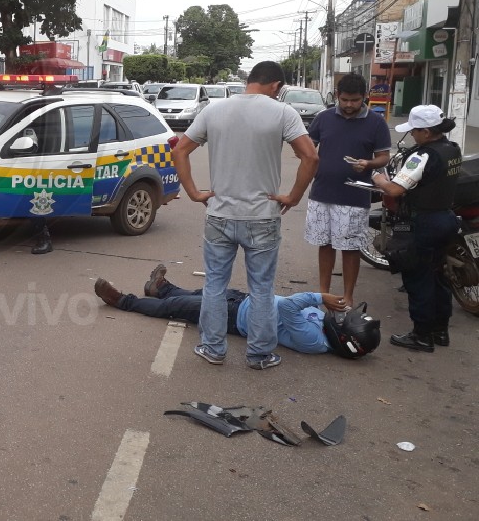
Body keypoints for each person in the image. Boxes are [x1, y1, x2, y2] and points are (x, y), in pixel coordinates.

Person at [172, 61, 319, 370]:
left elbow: (180, 151)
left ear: (251, 80)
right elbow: (310, 156)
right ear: (276, 86)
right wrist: (293, 196)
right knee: (262, 289)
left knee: (214, 285)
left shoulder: (213, 110)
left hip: (220, 215)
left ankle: (213, 349)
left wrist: (194, 193)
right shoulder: (283, 113)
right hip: (262, 217)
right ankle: (260, 355)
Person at [93, 264, 381, 359]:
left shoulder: (313, 340)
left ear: (345, 339)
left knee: (176, 308)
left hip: (235, 318)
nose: (340, 313)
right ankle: (162, 287)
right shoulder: (325, 329)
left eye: (345, 319)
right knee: (197, 294)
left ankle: (122, 301)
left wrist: (320, 296)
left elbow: (290, 305)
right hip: (246, 302)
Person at [370, 105, 461, 352]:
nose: (412, 135)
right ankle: (440, 331)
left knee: (418, 278)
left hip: (422, 223)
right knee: (439, 276)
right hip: (446, 219)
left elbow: (395, 190)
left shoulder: (423, 155)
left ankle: (421, 335)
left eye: (415, 131)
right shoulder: (451, 149)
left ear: (428, 132)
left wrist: (379, 179)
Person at [304, 73, 392, 308]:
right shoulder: (323, 118)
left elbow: (384, 156)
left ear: (364, 97)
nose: (349, 105)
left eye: (354, 100)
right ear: (337, 97)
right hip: (322, 192)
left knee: (350, 248)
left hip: (354, 196)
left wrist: (368, 164)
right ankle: (323, 294)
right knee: (325, 244)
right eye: (344, 100)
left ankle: (347, 297)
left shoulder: (376, 122)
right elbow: (309, 148)